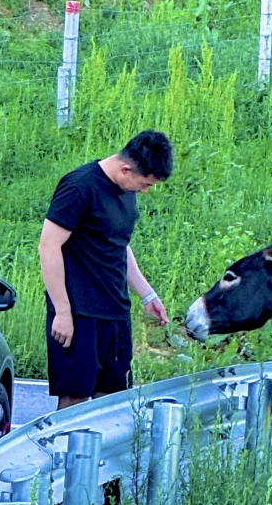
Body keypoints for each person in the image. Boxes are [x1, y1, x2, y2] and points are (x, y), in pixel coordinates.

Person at [38, 130, 172, 410]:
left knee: (112, 398)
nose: (146, 190)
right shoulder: (79, 186)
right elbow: (48, 247)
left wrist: (147, 295)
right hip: (79, 312)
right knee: (75, 398)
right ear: (126, 168)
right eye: (145, 183)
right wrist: (62, 312)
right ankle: (66, 453)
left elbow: (119, 245)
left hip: (115, 311)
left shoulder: (126, 190)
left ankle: (101, 456)